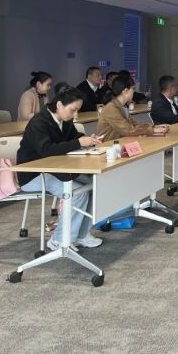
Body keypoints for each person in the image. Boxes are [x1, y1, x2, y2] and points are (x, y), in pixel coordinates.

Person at [17, 85, 104, 250]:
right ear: (59, 105)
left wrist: (87, 139)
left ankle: (81, 235)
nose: (75, 114)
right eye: (73, 110)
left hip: (55, 169)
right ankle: (59, 240)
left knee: (93, 186)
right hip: (33, 174)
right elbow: (46, 150)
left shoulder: (65, 120)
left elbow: (73, 137)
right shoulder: (39, 122)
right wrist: (78, 142)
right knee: (78, 193)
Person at [97, 76, 167, 140]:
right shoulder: (111, 108)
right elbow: (128, 130)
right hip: (107, 146)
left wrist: (153, 127)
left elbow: (133, 125)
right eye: (133, 89)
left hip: (119, 142)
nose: (134, 92)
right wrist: (152, 130)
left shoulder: (122, 106)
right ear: (125, 91)